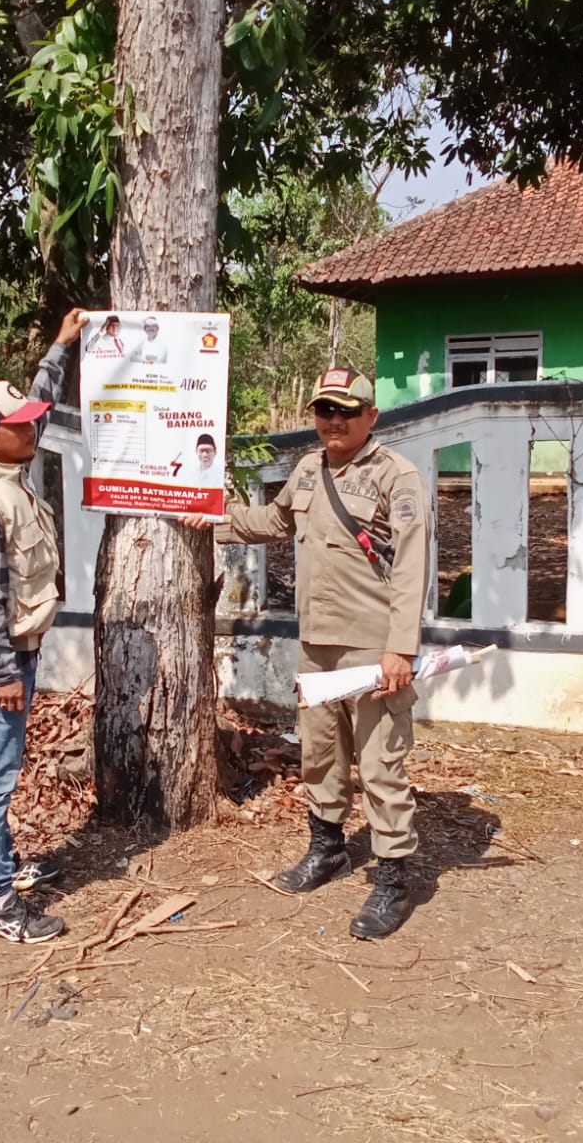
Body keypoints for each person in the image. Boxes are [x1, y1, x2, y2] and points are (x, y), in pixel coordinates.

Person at [183, 368, 431, 939]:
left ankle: (393, 879)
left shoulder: (398, 477)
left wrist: (401, 649)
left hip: (372, 646)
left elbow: (413, 563)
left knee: (379, 763)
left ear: (371, 416)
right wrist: (213, 516)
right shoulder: (308, 468)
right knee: (319, 752)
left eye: (346, 411)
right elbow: (273, 521)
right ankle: (328, 850)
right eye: (324, 410)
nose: (334, 421)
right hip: (317, 642)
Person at [0, 306, 89, 943]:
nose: (33, 431)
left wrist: (60, 348)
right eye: (19, 429)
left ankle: (1, 870)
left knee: (1, 771)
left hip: (16, 655)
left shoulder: (9, 471)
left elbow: (40, 405)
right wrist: (3, 672)